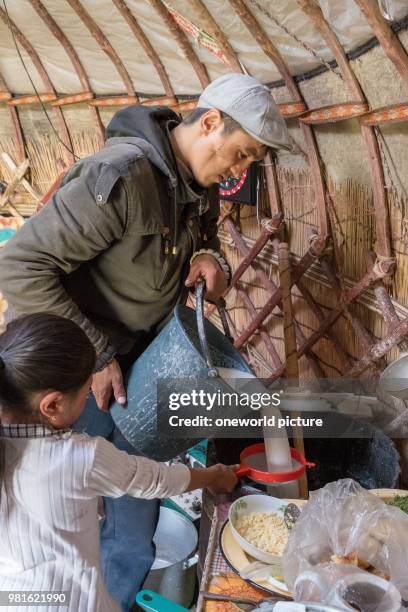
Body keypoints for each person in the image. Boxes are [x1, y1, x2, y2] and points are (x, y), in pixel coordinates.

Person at [0, 73, 292, 609]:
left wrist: (212, 258)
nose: (240, 171)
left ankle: (118, 596)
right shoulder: (121, 180)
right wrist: (98, 354)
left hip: (139, 363)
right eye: (241, 154)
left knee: (134, 510)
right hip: (72, 372)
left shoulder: (195, 189)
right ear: (209, 123)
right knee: (53, 515)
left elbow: (201, 241)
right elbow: (19, 267)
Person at [0, 313, 238, 612]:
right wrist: (213, 475)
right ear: (53, 405)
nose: (91, 396)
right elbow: (155, 480)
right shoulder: (81, 456)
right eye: (86, 392)